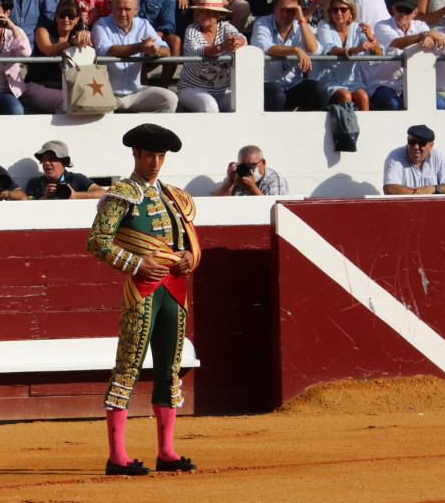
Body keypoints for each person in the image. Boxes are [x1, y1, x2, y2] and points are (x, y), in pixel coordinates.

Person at [86, 123, 198, 477]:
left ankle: (167, 451)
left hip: (174, 291)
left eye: (160, 156)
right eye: (149, 155)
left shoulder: (175, 197)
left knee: (169, 369)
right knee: (128, 367)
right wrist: (136, 263)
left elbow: (189, 242)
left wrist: (188, 258)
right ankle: (117, 456)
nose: (155, 162)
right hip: (143, 290)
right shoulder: (121, 193)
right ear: (135, 154)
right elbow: (97, 242)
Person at [92, 0, 179, 112]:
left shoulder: (143, 24)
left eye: (127, 9)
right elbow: (106, 51)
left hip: (135, 92)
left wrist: (155, 51)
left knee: (170, 99)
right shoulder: (101, 25)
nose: (122, 13)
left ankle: (152, 130)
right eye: (118, 8)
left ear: (136, 11)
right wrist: (139, 47)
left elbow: (167, 51)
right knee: (101, 110)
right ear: (111, 8)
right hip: (107, 92)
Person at [252, 0, 326, 111]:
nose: (285, 14)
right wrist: (295, 50)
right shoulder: (263, 23)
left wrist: (301, 19)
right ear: (275, 8)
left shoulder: (300, 26)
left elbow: (314, 50)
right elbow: (261, 46)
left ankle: (311, 128)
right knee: (278, 96)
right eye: (282, 9)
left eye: (291, 11)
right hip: (268, 83)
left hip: (293, 83)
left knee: (319, 90)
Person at [370, 0, 445, 111]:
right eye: (400, 9)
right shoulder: (381, 26)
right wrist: (426, 35)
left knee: (439, 104)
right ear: (393, 9)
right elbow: (398, 43)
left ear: (415, 13)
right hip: (385, 84)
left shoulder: (420, 25)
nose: (403, 14)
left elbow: (431, 41)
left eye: (408, 11)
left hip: (414, 84)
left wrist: (430, 37)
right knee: (394, 104)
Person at [176, 0, 245, 112]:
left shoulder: (226, 27)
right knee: (209, 106)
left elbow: (241, 38)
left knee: (244, 102)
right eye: (201, 11)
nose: (204, 15)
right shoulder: (192, 30)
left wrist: (238, 42)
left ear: (218, 15)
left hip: (223, 92)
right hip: (192, 89)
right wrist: (222, 47)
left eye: (209, 12)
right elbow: (195, 51)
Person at [22, 0, 89, 114]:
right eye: (62, 15)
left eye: (71, 16)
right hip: (38, 86)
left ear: (78, 19)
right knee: (68, 102)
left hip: (64, 89)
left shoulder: (78, 36)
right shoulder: (43, 31)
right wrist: (71, 43)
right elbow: (49, 50)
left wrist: (84, 36)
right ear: (56, 17)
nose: (66, 19)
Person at [315, 0, 381, 110]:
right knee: (345, 96)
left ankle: (366, 127)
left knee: (363, 97)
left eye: (343, 9)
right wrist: (356, 49)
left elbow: (378, 54)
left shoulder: (358, 28)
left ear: (351, 11)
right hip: (330, 80)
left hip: (352, 81)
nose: (339, 13)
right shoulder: (324, 26)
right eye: (335, 10)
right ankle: (344, 127)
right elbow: (330, 50)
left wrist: (371, 38)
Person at [383, 123, 445, 193]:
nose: (416, 147)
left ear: (431, 146)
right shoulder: (395, 156)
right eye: (412, 142)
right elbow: (390, 188)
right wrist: (419, 193)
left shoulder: (438, 156)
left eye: (421, 143)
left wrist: (434, 188)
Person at [26, 140, 106, 199]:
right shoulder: (34, 183)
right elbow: (27, 208)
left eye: (52, 159)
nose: (46, 163)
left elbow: (103, 193)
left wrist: (75, 195)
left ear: (64, 162)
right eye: (44, 159)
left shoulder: (76, 179)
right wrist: (45, 197)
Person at [211, 144, 289, 195]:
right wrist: (229, 182)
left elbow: (274, 208)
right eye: (244, 165)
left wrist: (251, 188)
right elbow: (214, 202)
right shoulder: (237, 174)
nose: (249, 169)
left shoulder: (274, 179)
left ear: (263, 162)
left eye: (252, 165)